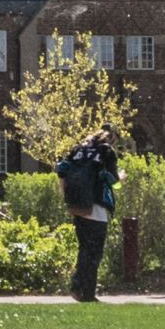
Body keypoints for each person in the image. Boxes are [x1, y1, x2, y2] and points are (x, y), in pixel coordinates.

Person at [59, 124, 122, 300]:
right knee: (95, 252)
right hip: (96, 206)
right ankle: (86, 292)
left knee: (84, 248)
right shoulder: (106, 151)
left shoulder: (78, 149)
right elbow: (114, 182)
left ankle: (78, 286)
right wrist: (120, 179)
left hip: (77, 205)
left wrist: (67, 198)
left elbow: (61, 172)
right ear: (113, 138)